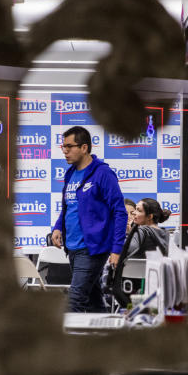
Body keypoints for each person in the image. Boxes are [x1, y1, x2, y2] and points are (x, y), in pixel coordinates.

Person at [51, 126, 127, 312]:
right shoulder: (70, 173)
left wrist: (116, 250)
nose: (65, 151)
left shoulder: (103, 173)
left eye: (70, 146)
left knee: (74, 301)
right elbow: (69, 205)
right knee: (93, 301)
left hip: (92, 249)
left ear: (84, 148)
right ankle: (105, 337)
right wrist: (58, 226)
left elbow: (120, 212)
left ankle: (67, 341)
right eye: (63, 147)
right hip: (73, 248)